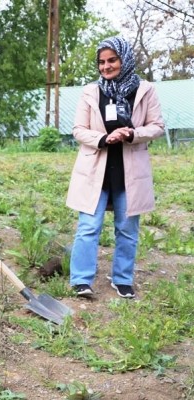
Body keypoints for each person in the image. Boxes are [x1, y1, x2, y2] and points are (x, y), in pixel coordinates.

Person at [66, 36, 164, 299]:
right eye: (101, 62)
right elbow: (78, 130)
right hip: (96, 169)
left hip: (129, 170)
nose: (106, 66)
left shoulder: (145, 90)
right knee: (88, 226)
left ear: (125, 59)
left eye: (112, 60)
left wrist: (132, 134)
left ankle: (122, 279)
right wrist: (103, 139)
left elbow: (157, 126)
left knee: (127, 228)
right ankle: (81, 280)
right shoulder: (91, 91)